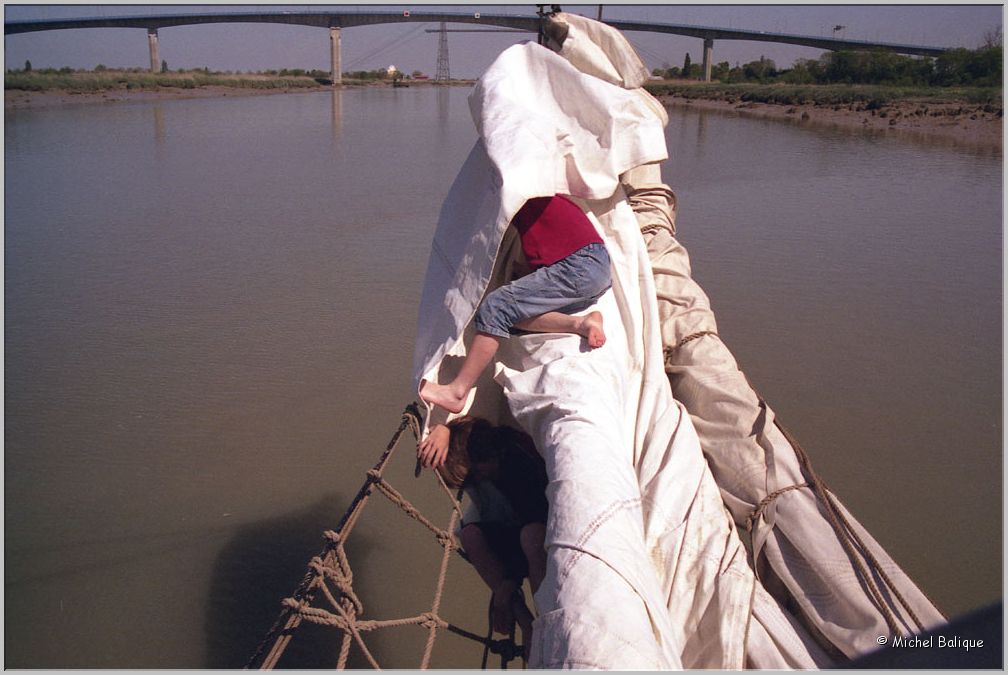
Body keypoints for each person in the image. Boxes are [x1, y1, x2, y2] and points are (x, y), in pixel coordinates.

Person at [420, 194, 612, 414]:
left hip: (580, 266)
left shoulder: (525, 191)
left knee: (495, 308)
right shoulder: (547, 194)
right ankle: (580, 324)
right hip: (598, 268)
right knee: (507, 320)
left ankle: (457, 391)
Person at [418, 416, 549, 655]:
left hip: (545, 535)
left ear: (481, 461)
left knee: (531, 536)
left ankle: (547, 623)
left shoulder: (519, 459)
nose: (477, 483)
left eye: (473, 477)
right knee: (470, 536)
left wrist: (508, 584)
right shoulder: (487, 454)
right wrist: (442, 428)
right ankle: (527, 624)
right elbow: (456, 417)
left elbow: (534, 515)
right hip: (519, 532)